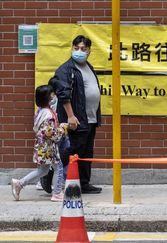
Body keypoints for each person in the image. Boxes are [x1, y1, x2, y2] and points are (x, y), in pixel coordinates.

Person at [47, 35, 102, 194]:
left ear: (89, 51)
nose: (79, 51)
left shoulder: (88, 67)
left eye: (83, 49)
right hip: (76, 119)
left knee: (86, 152)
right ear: (71, 48)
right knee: (72, 149)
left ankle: (83, 183)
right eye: (76, 48)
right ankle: (49, 174)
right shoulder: (67, 69)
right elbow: (64, 94)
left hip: (90, 118)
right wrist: (71, 116)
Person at [11, 85, 68, 202]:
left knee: (43, 170)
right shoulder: (48, 114)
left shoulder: (41, 111)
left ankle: (19, 184)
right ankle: (57, 193)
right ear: (46, 99)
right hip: (49, 147)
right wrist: (63, 129)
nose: (54, 98)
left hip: (42, 146)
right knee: (59, 168)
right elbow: (51, 133)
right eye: (51, 96)